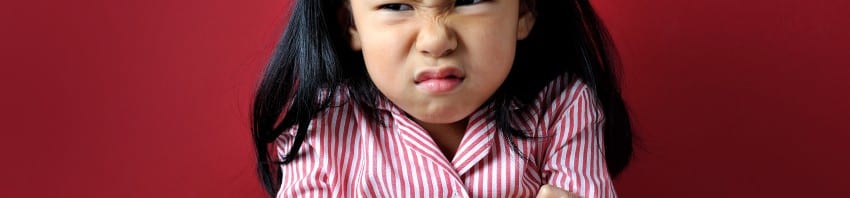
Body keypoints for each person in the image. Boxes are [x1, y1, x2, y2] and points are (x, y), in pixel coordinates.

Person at [251, 0, 634, 197]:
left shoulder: (564, 109)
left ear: (525, 9)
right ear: (350, 22)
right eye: (398, 6)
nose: (436, 41)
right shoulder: (321, 129)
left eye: (469, 0)